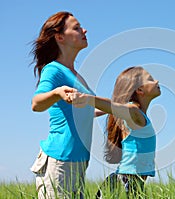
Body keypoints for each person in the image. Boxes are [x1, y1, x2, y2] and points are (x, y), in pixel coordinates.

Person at [30, 11, 104, 198]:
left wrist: (116, 107)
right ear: (60, 37)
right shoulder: (53, 69)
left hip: (77, 163)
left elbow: (83, 111)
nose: (84, 30)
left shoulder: (76, 75)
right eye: (77, 27)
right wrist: (57, 92)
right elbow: (36, 104)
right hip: (59, 161)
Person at [69, 66, 161, 198]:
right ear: (140, 90)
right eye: (150, 79)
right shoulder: (134, 113)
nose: (157, 81)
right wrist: (87, 99)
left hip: (132, 183)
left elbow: (114, 108)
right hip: (126, 183)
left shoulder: (139, 115)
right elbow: (112, 106)